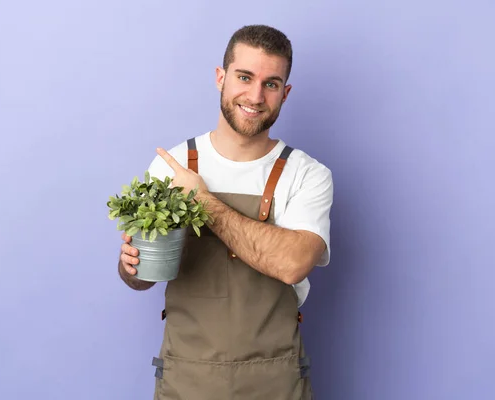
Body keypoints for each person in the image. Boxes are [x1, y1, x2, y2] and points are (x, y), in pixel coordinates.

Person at [117, 24, 333, 400]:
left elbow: (293, 263)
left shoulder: (307, 174)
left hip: (276, 381)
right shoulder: (173, 164)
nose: (255, 95)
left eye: (271, 83)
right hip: (186, 378)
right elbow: (139, 279)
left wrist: (202, 201)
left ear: (286, 92)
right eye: (244, 77)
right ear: (221, 77)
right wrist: (131, 265)